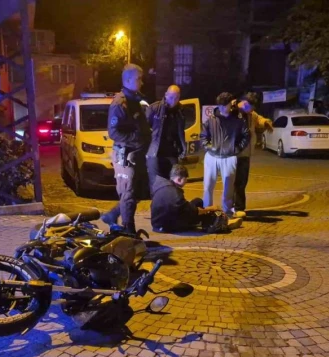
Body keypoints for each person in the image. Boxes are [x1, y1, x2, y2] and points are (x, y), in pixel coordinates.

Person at [100, 64, 152, 235]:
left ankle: (113, 214)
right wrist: (135, 137)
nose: (141, 82)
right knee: (128, 193)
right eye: (138, 79)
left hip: (137, 154)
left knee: (139, 191)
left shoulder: (135, 100)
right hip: (125, 155)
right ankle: (129, 231)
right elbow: (113, 132)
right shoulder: (120, 103)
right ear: (128, 80)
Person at [151, 164, 242, 232]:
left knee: (198, 201)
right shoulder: (175, 194)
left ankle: (203, 222)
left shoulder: (162, 184)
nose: (186, 182)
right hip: (167, 227)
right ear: (179, 179)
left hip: (157, 224)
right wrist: (211, 208)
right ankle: (222, 224)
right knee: (205, 213)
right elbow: (194, 211)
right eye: (185, 179)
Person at [201, 92, 249, 217]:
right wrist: (209, 147)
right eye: (220, 105)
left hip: (229, 157)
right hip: (211, 156)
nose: (222, 108)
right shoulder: (211, 120)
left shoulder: (238, 120)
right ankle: (207, 212)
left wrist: (236, 149)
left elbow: (246, 136)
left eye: (225, 105)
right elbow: (203, 136)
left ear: (230, 104)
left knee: (228, 187)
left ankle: (227, 212)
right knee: (207, 186)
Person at [234, 92, 273, 213]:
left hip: (245, 153)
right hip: (233, 154)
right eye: (251, 107)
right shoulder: (233, 111)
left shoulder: (250, 113)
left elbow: (258, 118)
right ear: (244, 103)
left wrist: (265, 122)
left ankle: (239, 207)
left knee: (242, 182)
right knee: (234, 182)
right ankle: (232, 207)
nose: (252, 110)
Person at [145, 85, 187, 195]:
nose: (174, 100)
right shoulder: (154, 108)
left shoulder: (180, 111)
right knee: (156, 184)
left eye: (176, 97)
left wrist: (183, 148)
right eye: (171, 97)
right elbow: (144, 130)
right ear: (166, 95)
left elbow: (180, 132)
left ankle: (172, 203)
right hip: (155, 153)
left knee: (174, 182)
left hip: (172, 153)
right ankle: (157, 204)